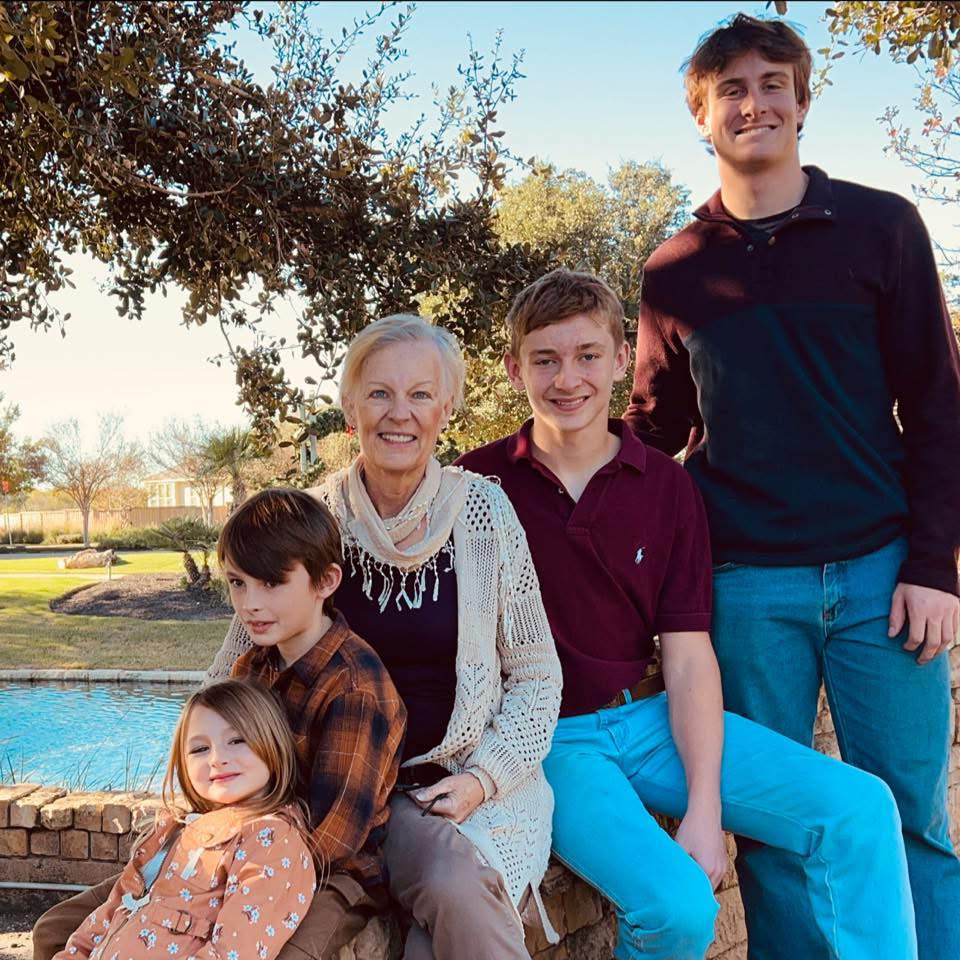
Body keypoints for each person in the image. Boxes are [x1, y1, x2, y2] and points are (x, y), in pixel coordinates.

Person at [458, 267, 918, 960]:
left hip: (650, 719)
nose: (567, 379)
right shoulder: (477, 484)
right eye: (545, 360)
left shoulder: (668, 486)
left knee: (861, 810)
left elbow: (688, 653)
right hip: (550, 741)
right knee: (676, 908)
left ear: (621, 360)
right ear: (513, 368)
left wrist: (704, 809)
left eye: (587, 355)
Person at [624, 14, 960, 960]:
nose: (754, 103)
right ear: (703, 116)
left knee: (912, 818)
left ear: (803, 103)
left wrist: (934, 563)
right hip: (744, 588)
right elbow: (653, 432)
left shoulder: (882, 227)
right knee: (773, 831)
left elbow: (939, 403)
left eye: (773, 83)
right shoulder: (675, 273)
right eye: (731, 89)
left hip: (883, 577)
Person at [208, 314, 563, 960]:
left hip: (449, 787)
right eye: (379, 393)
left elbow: (538, 675)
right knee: (449, 896)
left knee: (448, 910)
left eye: (420, 394)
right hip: (335, 790)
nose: (400, 413)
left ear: (446, 408)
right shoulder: (310, 521)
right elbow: (229, 674)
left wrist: (484, 778)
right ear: (350, 408)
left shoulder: (484, 515)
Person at [34, 489, 406, 960]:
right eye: (237, 583)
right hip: (227, 844)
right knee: (58, 929)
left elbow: (333, 836)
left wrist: (213, 883)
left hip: (327, 874)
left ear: (325, 581)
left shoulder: (354, 687)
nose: (249, 604)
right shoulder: (253, 666)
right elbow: (215, 774)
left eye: (270, 584)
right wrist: (184, 864)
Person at [51, 680, 316, 960]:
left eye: (237, 740)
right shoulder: (173, 830)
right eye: (200, 749)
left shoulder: (270, 841)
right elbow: (108, 914)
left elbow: (233, 952)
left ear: (273, 744)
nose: (217, 759)